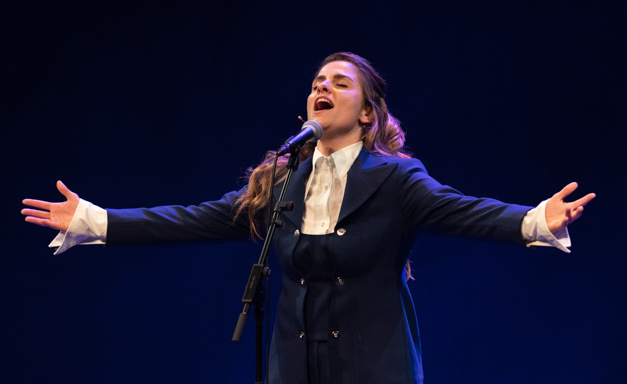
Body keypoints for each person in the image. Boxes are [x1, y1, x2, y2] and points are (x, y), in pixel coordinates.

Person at [21, 52, 595, 384]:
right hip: (294, 367)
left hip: (375, 369)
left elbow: (463, 211)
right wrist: (95, 220)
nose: (323, 88)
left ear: (368, 113)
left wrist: (537, 220)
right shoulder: (282, 179)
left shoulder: (396, 179)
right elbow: (194, 218)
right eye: (317, 84)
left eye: (340, 84)